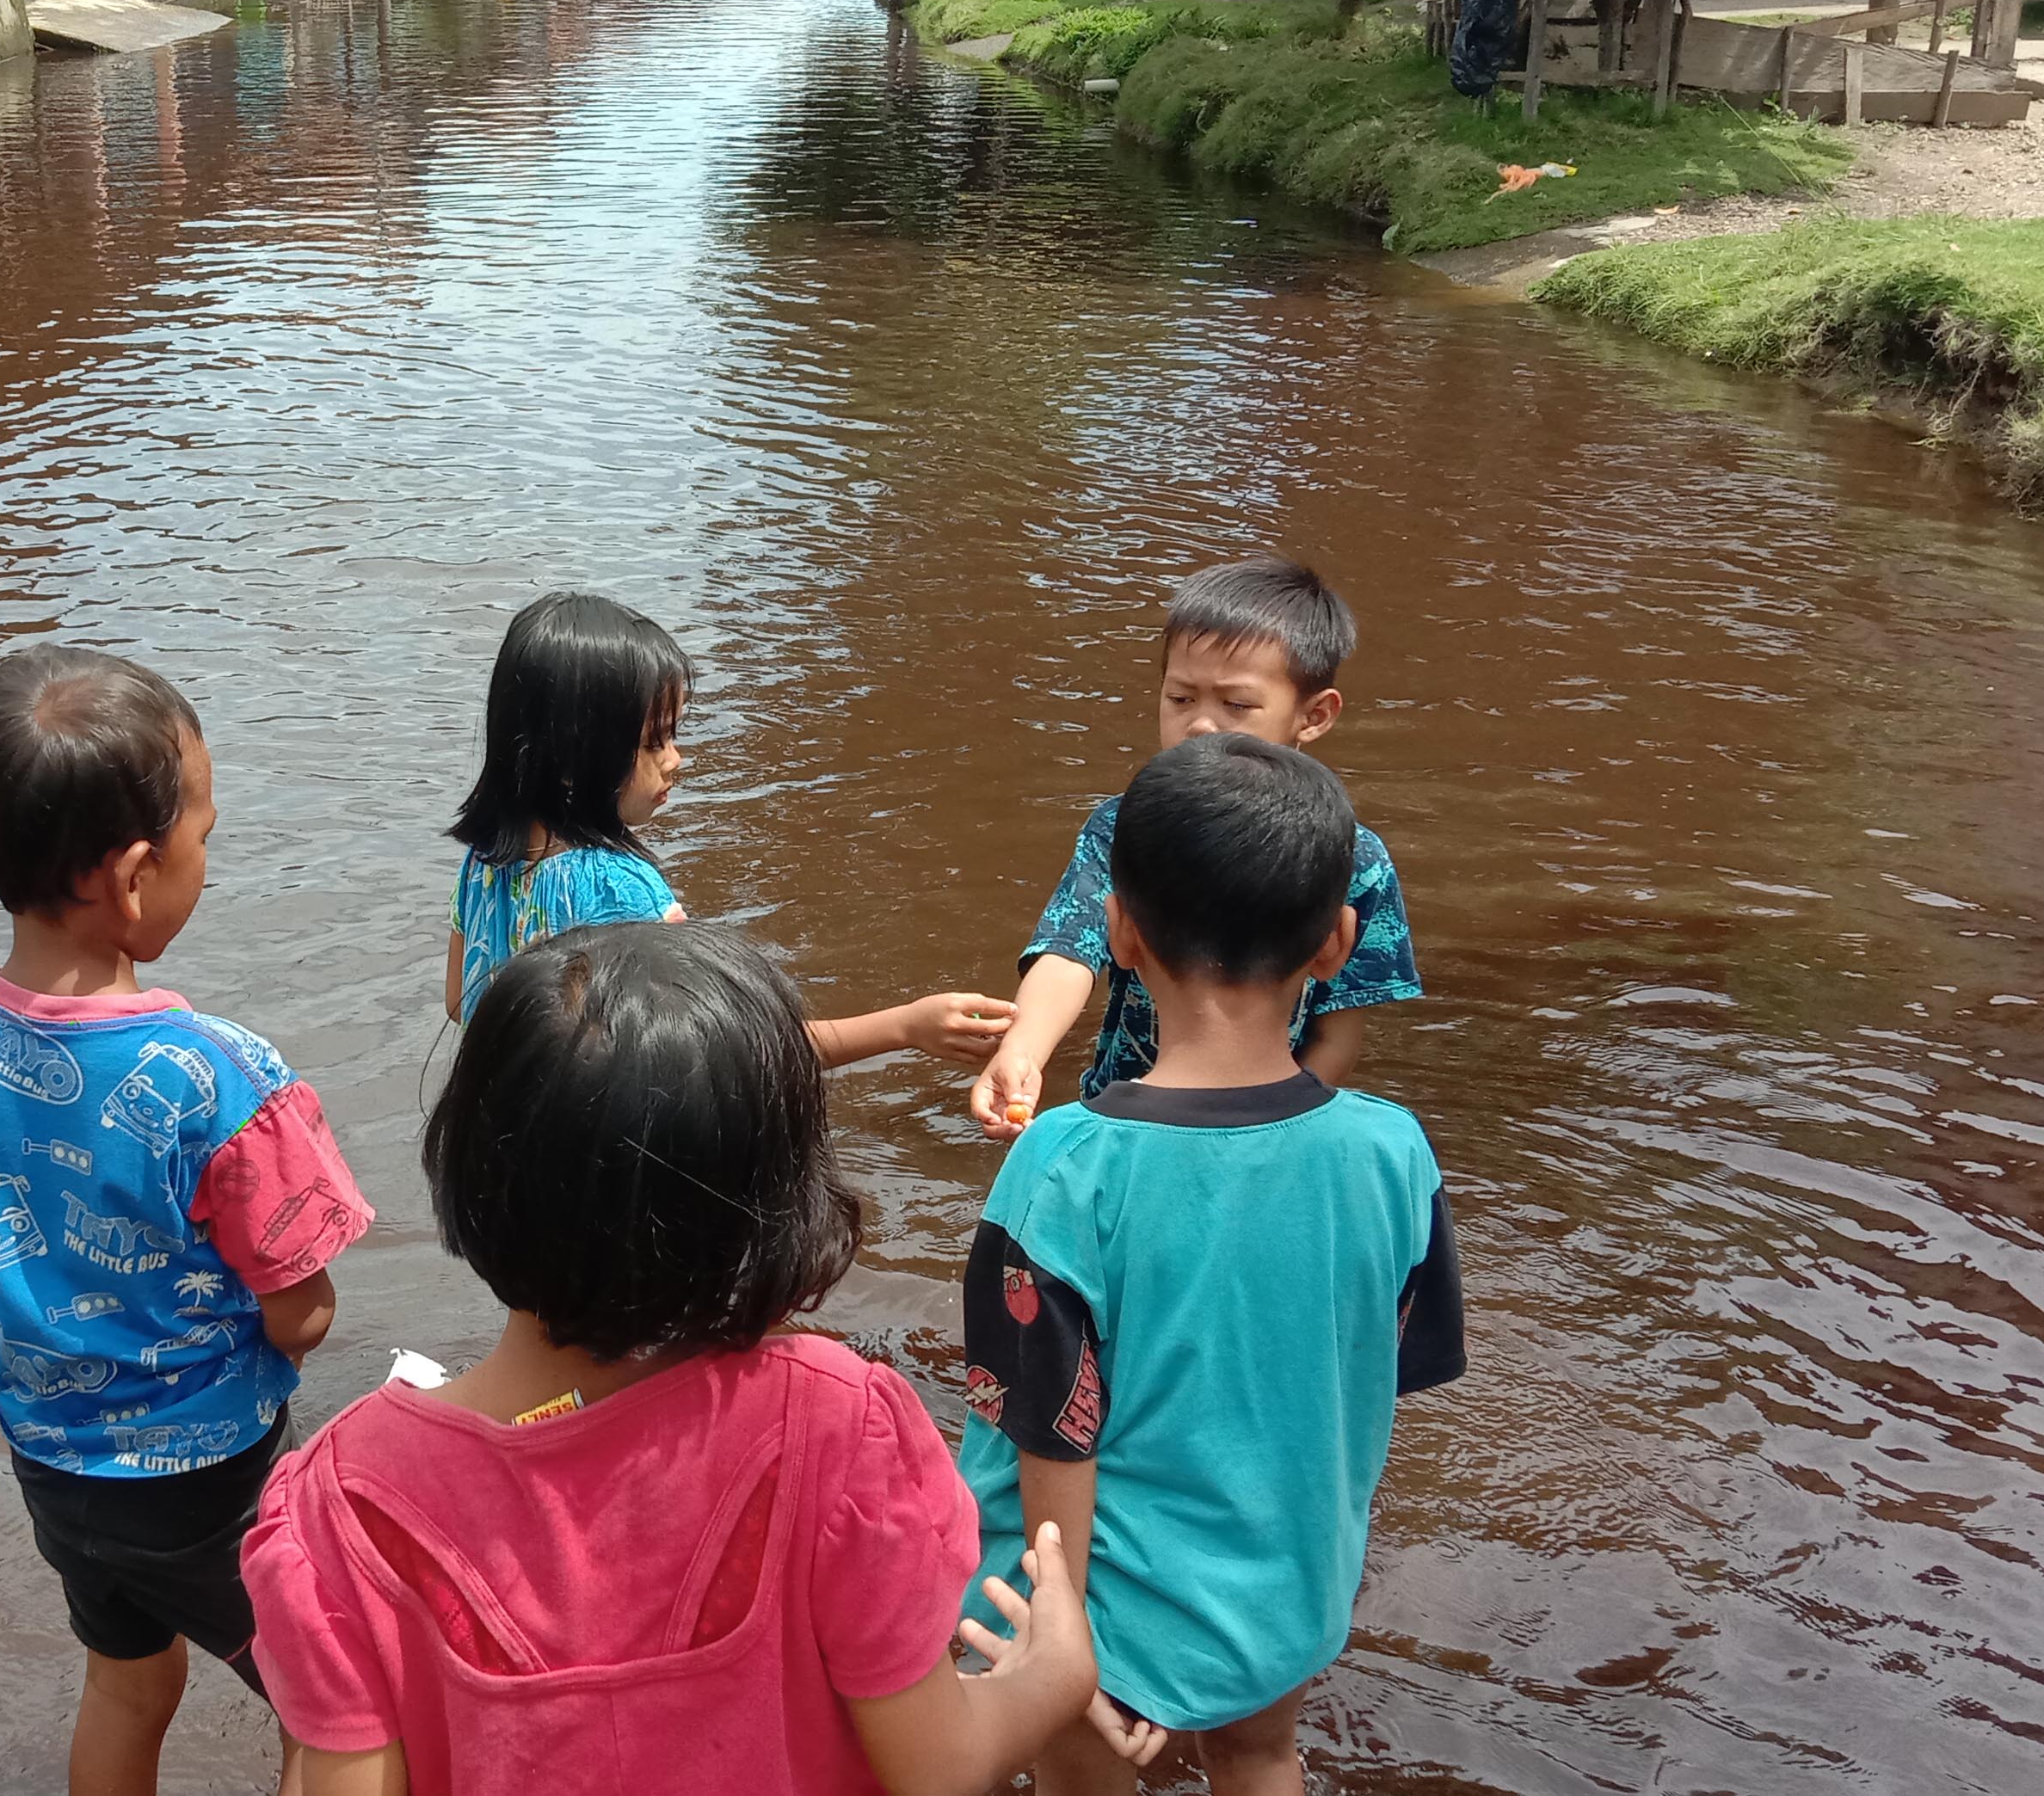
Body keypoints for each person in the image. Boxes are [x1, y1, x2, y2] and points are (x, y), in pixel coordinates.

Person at [249, 921, 1102, 1796]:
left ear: (469, 1165)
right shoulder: (838, 1428)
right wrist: (1054, 1674)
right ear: (777, 1200)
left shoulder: (342, 1502)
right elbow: (938, 1766)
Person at [0, 643, 375, 1796]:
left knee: (129, 1683)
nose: (207, 864)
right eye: (205, 840)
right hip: (204, 1477)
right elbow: (305, 1315)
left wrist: (35, 1262)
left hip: (53, 1463)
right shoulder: (224, 1081)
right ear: (134, 877)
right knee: (334, 1711)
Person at [957, 734, 1467, 1795]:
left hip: (1092, 1597)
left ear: (1121, 932)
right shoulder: (1393, 1152)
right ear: (1335, 944)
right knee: (1260, 1756)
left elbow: (1051, 1418)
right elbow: (1388, 1364)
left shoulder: (1066, 1164)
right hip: (1285, 1579)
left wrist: (1064, 1639)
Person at [450, 592, 1018, 1068]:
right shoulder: (618, 886)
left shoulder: (484, 858)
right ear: (574, 761)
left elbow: (460, 1002)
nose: (676, 759)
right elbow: (727, 1047)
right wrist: (904, 1027)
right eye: (655, 741)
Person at [970, 557, 1418, 1137]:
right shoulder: (1121, 827)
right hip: (1127, 1116)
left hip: (1271, 1121)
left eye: (1234, 705)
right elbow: (1068, 952)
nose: (1200, 726)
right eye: (1180, 699)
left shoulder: (1354, 861)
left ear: (1313, 714)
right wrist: (1022, 1051)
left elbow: (1339, 1031)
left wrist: (1275, 1133)